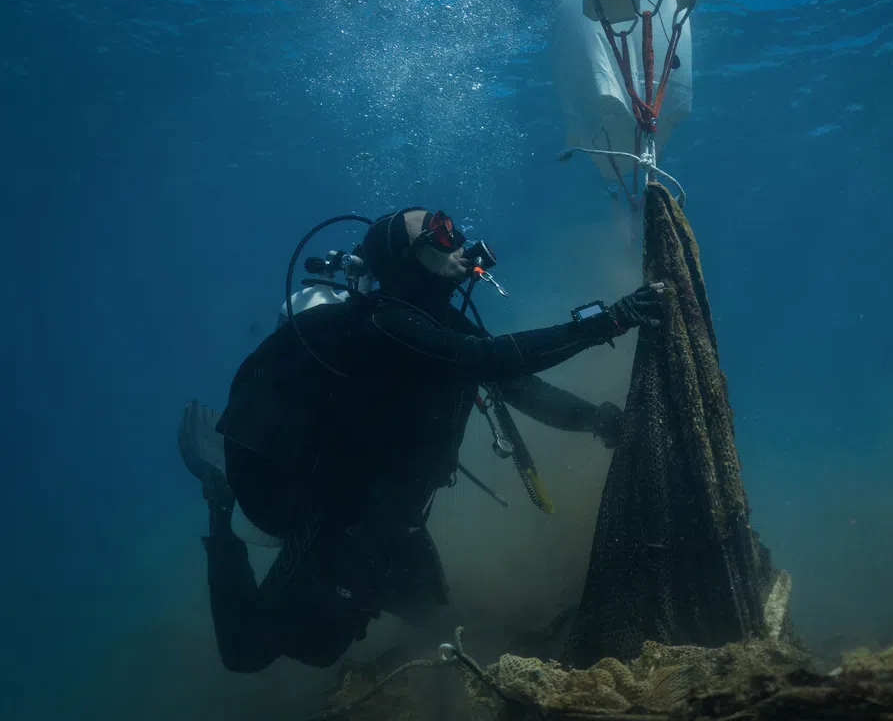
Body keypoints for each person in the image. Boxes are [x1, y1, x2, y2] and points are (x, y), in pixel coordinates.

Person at [178, 206, 665, 673]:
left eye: (450, 228)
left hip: (399, 520)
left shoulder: (444, 325)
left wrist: (600, 422)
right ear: (404, 260)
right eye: (438, 233)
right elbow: (492, 359)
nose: (456, 241)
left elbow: (521, 388)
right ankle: (220, 504)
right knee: (258, 653)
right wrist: (610, 320)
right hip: (339, 522)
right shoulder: (385, 324)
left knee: (435, 621)